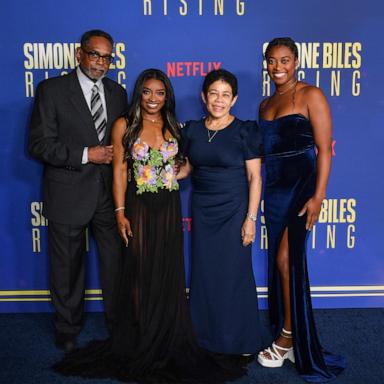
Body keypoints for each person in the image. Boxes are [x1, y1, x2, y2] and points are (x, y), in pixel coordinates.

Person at [53, 69, 247, 383]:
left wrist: (173, 174)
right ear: (139, 94)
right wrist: (119, 211)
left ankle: (167, 336)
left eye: (159, 92)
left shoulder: (173, 124)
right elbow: (118, 171)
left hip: (168, 206)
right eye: (147, 92)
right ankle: (144, 339)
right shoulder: (123, 124)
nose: (153, 99)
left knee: (167, 271)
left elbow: (186, 163)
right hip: (138, 207)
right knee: (141, 270)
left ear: (166, 95)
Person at [28, 29, 128, 352]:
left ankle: (119, 325)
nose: (100, 63)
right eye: (95, 55)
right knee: (67, 265)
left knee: (116, 263)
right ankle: (67, 329)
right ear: (79, 54)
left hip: (110, 196)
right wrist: (87, 154)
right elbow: (39, 144)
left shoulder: (118, 93)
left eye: (107, 57)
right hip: (68, 191)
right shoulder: (52, 90)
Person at [257, 37, 346, 381]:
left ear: (296, 62)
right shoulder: (265, 103)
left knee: (285, 259)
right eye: (272, 61)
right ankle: (290, 330)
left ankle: (288, 337)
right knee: (281, 263)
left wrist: (318, 196)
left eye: (285, 60)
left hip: (302, 187)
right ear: (266, 63)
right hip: (274, 191)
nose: (278, 68)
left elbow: (324, 150)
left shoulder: (312, 95)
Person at [180, 69, 264, 355]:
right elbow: (189, 167)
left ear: (235, 99)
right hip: (203, 209)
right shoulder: (191, 130)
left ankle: (239, 340)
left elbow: (255, 178)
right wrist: (157, 175)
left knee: (234, 272)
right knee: (205, 272)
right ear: (204, 96)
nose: (219, 100)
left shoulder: (246, 130)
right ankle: (204, 337)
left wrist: (251, 219)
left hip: (234, 210)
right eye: (213, 93)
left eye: (225, 95)